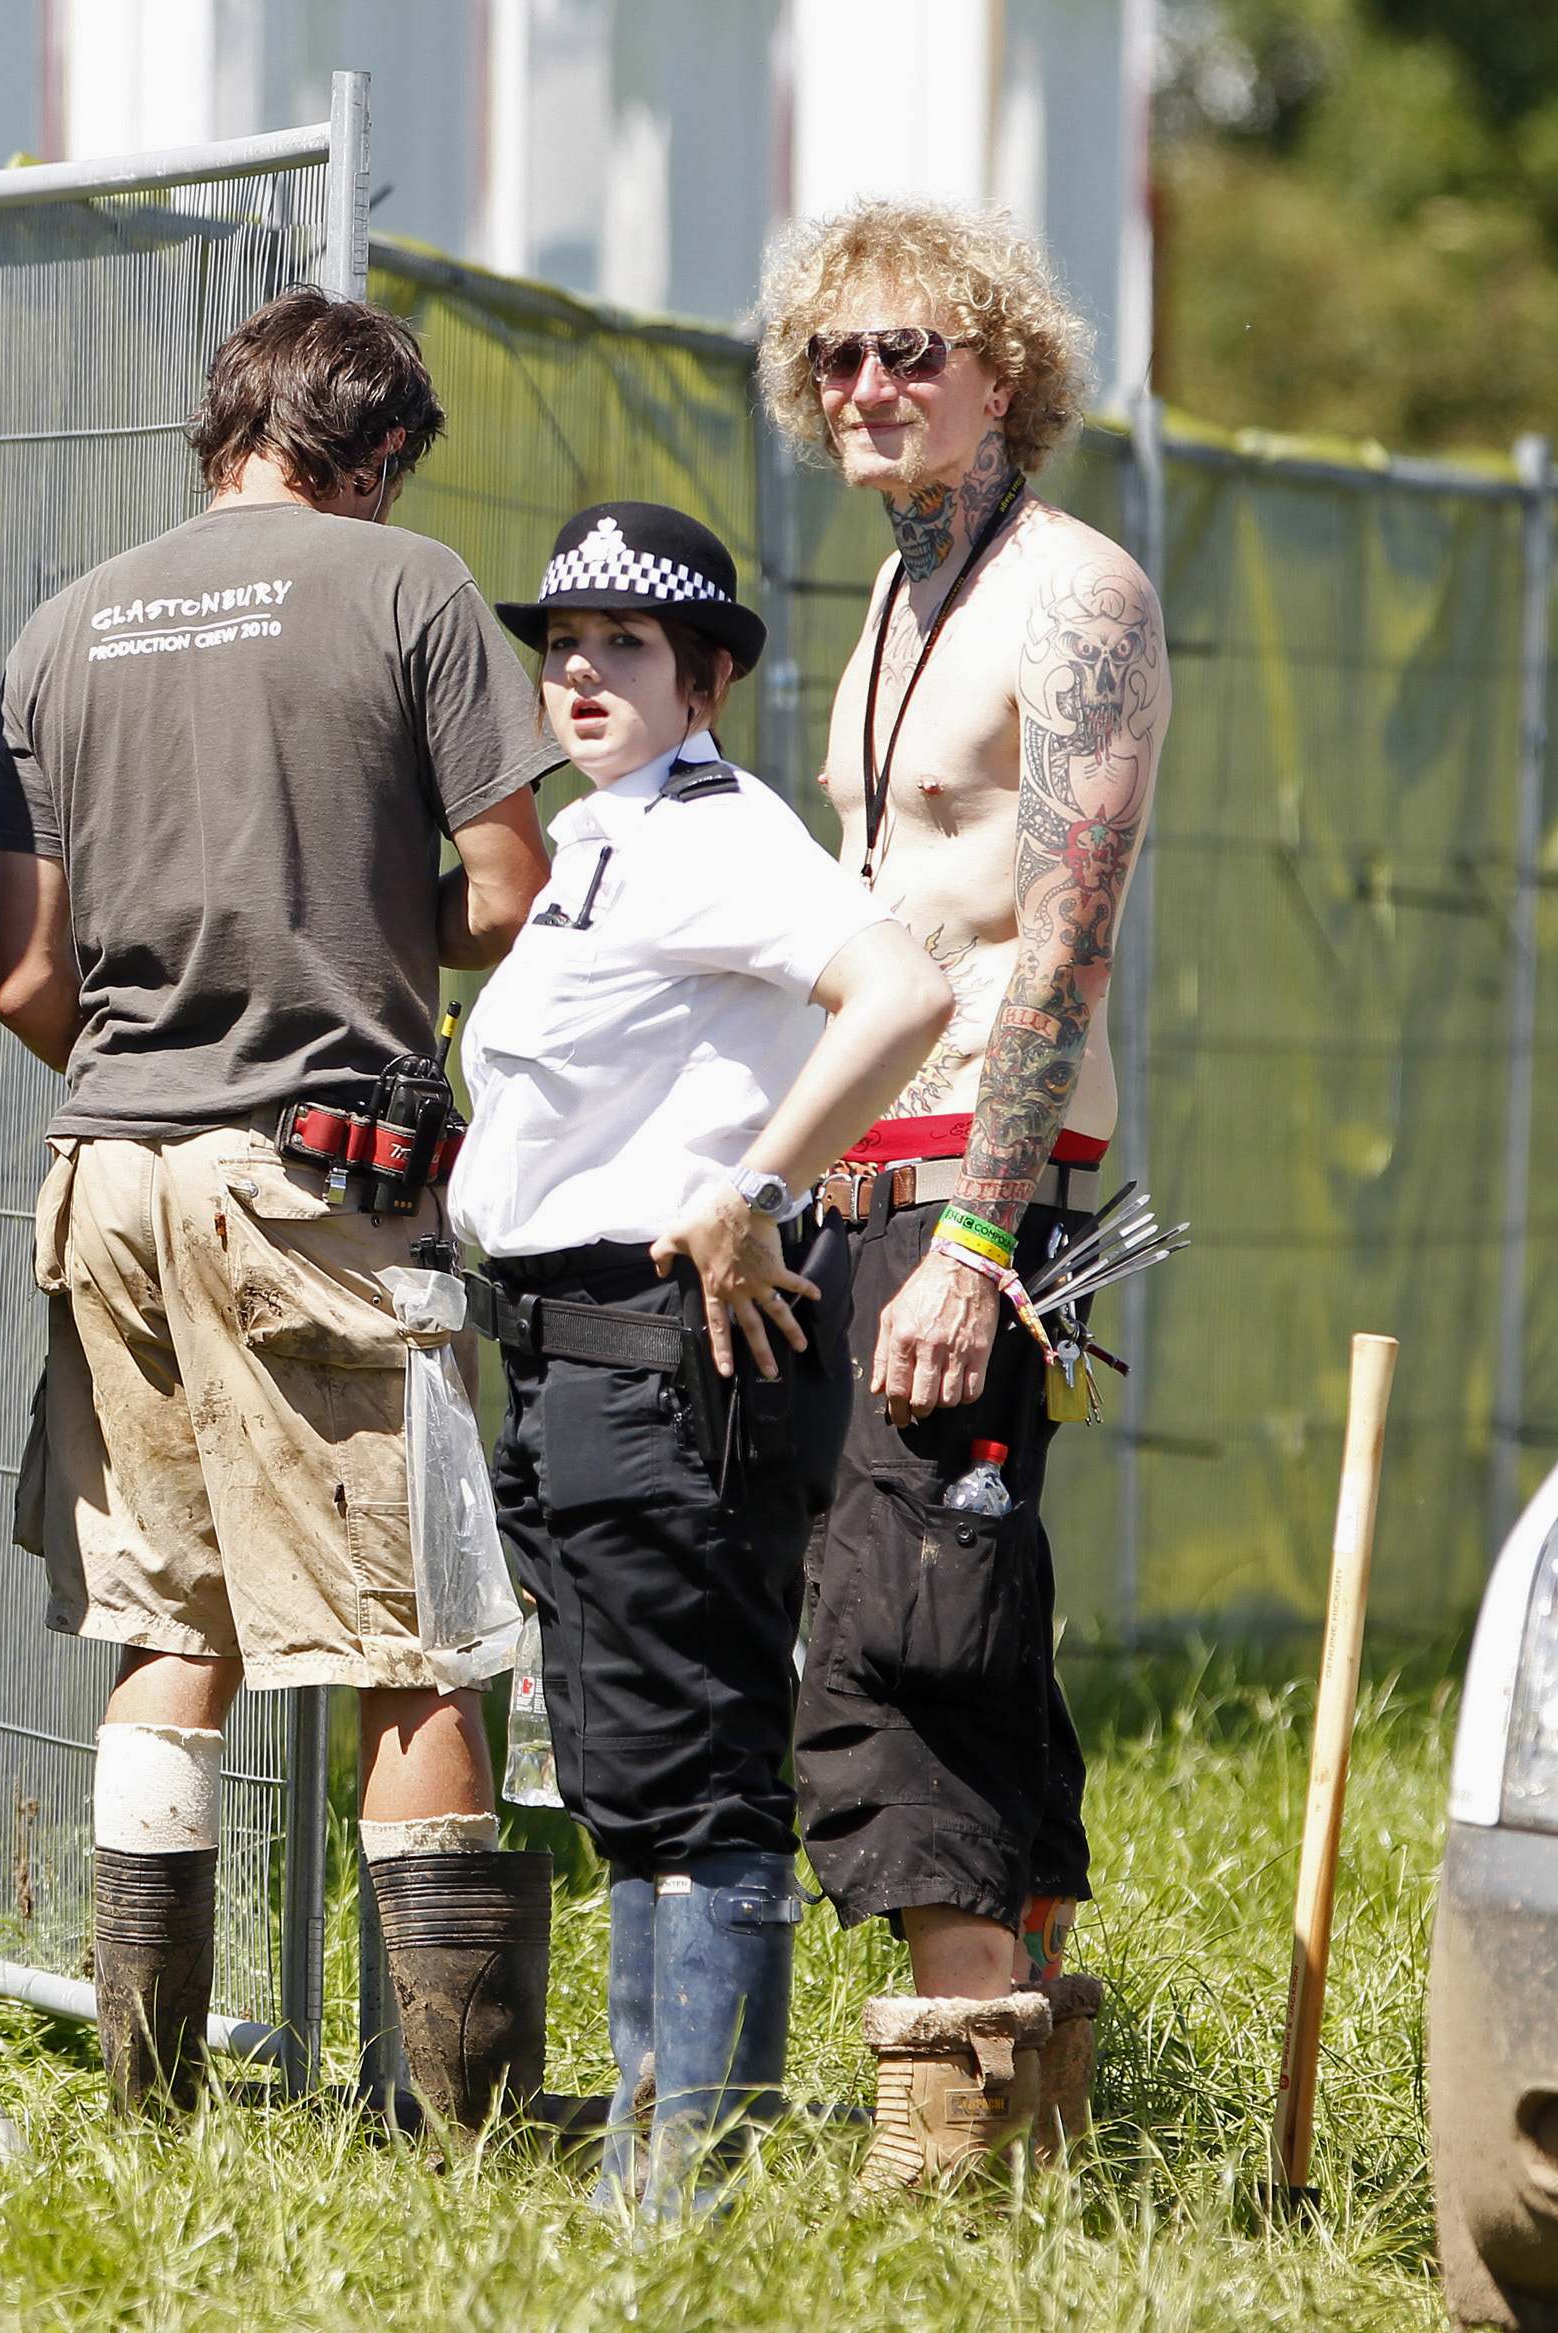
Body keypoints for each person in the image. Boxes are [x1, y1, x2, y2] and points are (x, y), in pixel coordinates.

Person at [0, 285, 557, 2121]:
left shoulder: (62, 629)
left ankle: (145, 2099)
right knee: (420, 1636)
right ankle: (456, 2124)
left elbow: (22, 978)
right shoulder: (414, 591)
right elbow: (509, 892)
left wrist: (167, 1031)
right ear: (371, 453)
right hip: (319, 1182)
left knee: (174, 1632)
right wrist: (364, 934)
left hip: (112, 1171)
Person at [454, 502, 952, 2214]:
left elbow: (898, 993)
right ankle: (646, 2172)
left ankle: (696, 2187)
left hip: (662, 1357)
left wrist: (759, 1186)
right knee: (627, 1769)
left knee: (701, 1770)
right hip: (572, 1364)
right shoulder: (608, 835)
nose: (580, 670)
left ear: (711, 677)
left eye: (627, 647)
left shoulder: (717, 833)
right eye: (564, 643)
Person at [756, 199, 1171, 2179]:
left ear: (1005, 368)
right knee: (964, 1610)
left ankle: (946, 2150)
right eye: (837, 358)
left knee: (896, 1631)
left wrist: (983, 1237)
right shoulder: (900, 602)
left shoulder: (1069, 592)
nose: (868, 388)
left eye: (910, 350)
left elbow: (1063, 929)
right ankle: (1037, 2125)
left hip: (978, 1192)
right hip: (884, 1179)